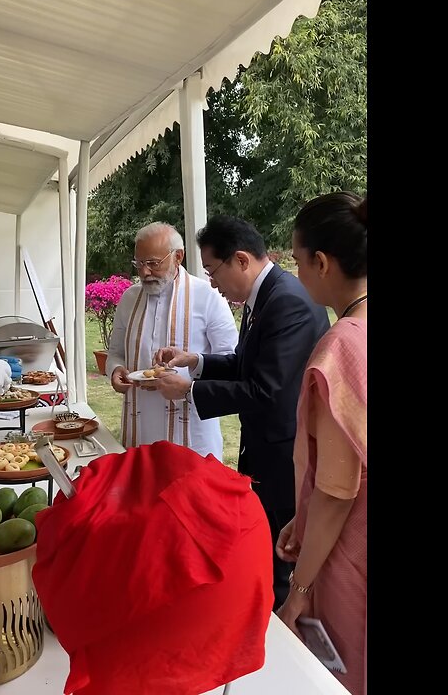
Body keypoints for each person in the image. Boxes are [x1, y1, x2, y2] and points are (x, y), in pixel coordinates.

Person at [152, 215, 330, 609]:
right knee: (265, 544)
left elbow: (266, 389)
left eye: (213, 270)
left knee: (282, 550)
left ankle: (285, 631)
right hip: (266, 445)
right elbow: (247, 363)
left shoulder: (286, 302)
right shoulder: (263, 296)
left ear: (242, 260)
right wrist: (196, 361)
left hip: (285, 452)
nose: (212, 282)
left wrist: (190, 391)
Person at [273, 192, 368, 695]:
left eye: (296, 257)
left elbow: (337, 491)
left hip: (350, 553)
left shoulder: (341, 347)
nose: (295, 270)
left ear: (322, 262)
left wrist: (300, 591)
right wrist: (302, 517)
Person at [106, 222, 238, 458]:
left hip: (191, 430)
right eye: (139, 264)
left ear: (178, 257)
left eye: (153, 263)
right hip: (140, 424)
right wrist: (115, 370)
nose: (145, 272)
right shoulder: (129, 298)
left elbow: (230, 362)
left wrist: (187, 385)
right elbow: (116, 351)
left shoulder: (207, 297)